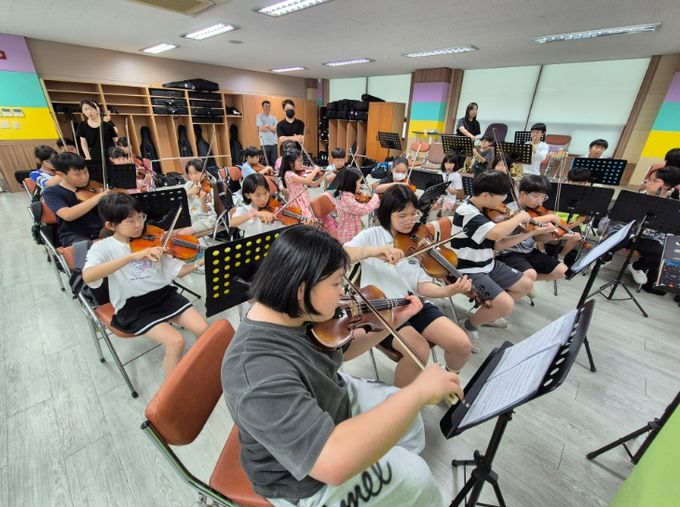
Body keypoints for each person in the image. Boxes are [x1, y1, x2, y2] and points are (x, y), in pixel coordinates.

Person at [222, 224, 463, 506]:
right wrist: (418, 391)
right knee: (418, 478)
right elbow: (330, 461)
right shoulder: (256, 370)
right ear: (301, 289)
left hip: (329, 400)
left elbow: (342, 351)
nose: (343, 293)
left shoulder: (295, 312)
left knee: (409, 422)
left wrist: (395, 320)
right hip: (300, 478)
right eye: (337, 284)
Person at [345, 185, 472, 385]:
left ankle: (448, 378)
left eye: (413, 214)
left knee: (462, 344)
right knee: (418, 351)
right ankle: (399, 398)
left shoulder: (419, 240)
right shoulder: (372, 235)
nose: (409, 221)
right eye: (402, 215)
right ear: (388, 215)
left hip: (414, 303)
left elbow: (423, 286)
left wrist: (448, 290)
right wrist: (374, 252)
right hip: (384, 309)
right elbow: (342, 254)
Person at [83, 193, 208, 377]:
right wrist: (131, 257)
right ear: (111, 225)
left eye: (140, 217)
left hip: (164, 295)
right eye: (130, 221)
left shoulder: (153, 238)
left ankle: (201, 369)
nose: (138, 225)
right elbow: (88, 276)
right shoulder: (103, 248)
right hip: (133, 306)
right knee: (176, 342)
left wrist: (200, 263)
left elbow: (178, 271)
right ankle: (173, 388)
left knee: (203, 330)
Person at [450, 171, 535, 352]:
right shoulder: (467, 212)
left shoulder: (484, 210)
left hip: (487, 263)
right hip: (469, 268)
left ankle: (489, 312)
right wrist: (520, 217)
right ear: (486, 195)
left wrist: (531, 233)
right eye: (502, 196)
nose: (504, 200)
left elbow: (499, 244)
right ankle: (470, 325)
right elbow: (496, 233)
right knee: (506, 305)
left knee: (526, 284)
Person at [599, 166, 680, 295]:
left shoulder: (673, 206)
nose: (648, 182)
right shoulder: (636, 198)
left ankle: (636, 267)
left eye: (654, 180)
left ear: (666, 186)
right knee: (614, 239)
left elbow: (668, 230)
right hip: (628, 231)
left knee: (659, 256)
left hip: (649, 238)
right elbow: (618, 219)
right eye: (649, 179)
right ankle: (605, 258)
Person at [496, 175, 577, 284]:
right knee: (530, 274)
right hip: (509, 252)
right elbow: (523, 222)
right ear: (522, 194)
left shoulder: (536, 211)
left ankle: (522, 282)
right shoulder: (510, 209)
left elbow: (537, 238)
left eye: (543, 197)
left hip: (529, 251)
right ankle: (521, 283)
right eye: (536, 196)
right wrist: (550, 217)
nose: (540, 201)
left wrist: (562, 236)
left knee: (562, 271)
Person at [42, 152, 107, 246]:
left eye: (85, 172)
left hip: (101, 230)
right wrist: (99, 197)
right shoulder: (52, 192)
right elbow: (68, 215)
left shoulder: (92, 186)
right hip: (75, 236)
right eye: (77, 174)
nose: (84, 177)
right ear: (61, 174)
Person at [333, 167, 380, 244]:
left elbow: (356, 210)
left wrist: (373, 205)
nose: (360, 185)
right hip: (349, 237)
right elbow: (365, 209)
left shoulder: (344, 194)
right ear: (351, 183)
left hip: (349, 232)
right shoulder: (348, 201)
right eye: (359, 183)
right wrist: (375, 196)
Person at [177, 159, 217, 237]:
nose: (194, 176)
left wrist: (202, 200)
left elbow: (207, 211)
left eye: (196, 173)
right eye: (190, 174)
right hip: (191, 218)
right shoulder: (188, 185)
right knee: (169, 232)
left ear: (204, 173)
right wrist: (189, 192)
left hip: (206, 220)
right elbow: (178, 199)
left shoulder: (210, 188)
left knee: (181, 235)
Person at [280, 148, 323, 219]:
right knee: (306, 220)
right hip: (297, 201)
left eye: (302, 160)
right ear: (291, 163)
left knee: (310, 219)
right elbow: (306, 181)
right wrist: (314, 171)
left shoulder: (297, 173)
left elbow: (314, 184)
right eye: (300, 161)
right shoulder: (289, 174)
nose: (302, 163)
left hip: (304, 199)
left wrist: (324, 175)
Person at [256, 100, 279, 166]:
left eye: (269, 106)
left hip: (274, 144)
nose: (268, 108)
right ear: (263, 107)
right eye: (266, 106)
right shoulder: (259, 117)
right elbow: (261, 129)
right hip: (264, 144)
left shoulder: (274, 118)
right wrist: (272, 128)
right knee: (265, 164)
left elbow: (276, 129)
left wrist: (267, 126)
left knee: (274, 164)